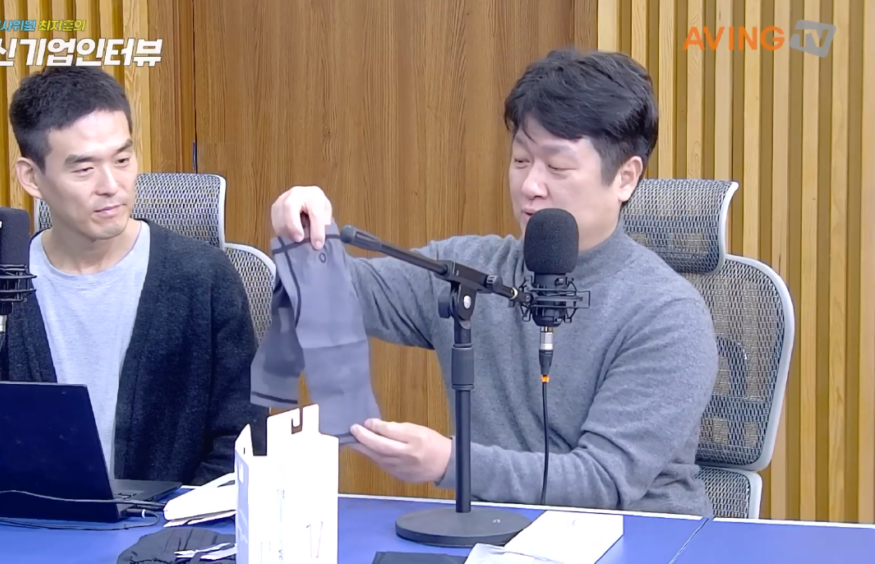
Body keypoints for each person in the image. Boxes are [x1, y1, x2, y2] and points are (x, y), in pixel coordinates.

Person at [269, 48, 719, 516]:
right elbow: (339, 297)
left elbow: (601, 481)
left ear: (625, 177)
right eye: (521, 160)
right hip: (499, 537)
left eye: (557, 167)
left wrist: (451, 462)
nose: (530, 186)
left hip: (641, 539)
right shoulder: (467, 269)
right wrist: (302, 236)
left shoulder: (667, 315)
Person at [0, 65, 264, 486]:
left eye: (123, 159)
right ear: (32, 177)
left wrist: (172, 517)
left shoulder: (204, 278)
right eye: (84, 169)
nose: (111, 185)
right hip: (33, 521)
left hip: (175, 523)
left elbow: (241, 441)